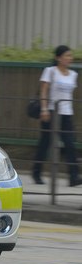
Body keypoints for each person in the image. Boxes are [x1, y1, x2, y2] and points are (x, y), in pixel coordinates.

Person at [33, 45, 81, 186]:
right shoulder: (50, 71)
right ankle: (37, 172)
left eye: (70, 55)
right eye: (66, 55)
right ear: (58, 58)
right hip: (52, 112)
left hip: (66, 113)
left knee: (70, 144)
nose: (69, 58)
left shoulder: (73, 74)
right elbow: (44, 91)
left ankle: (73, 177)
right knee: (45, 143)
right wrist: (44, 109)